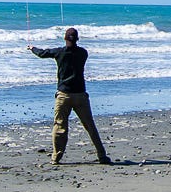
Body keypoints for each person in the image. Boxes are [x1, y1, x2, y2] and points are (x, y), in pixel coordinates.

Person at [28, 27, 112, 165]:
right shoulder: (83, 53)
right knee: (90, 126)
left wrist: (32, 48)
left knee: (60, 126)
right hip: (80, 95)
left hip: (64, 96)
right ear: (77, 39)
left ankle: (56, 158)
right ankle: (102, 155)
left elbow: (42, 53)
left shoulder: (59, 52)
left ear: (65, 38)